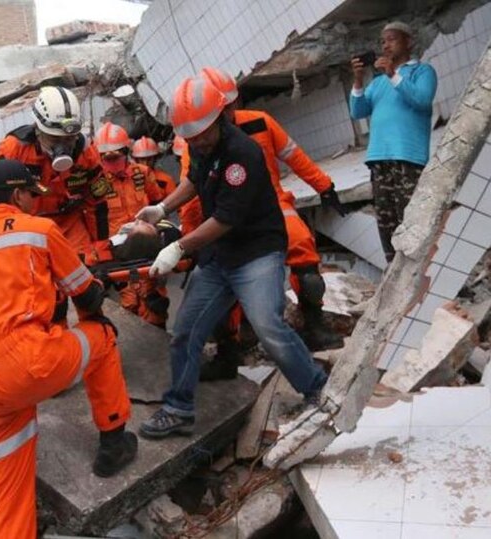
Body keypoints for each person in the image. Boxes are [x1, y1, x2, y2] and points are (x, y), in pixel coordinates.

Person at [135, 77, 328, 438]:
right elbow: (194, 180)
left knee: (268, 325)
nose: (196, 141)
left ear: (221, 117)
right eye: (189, 137)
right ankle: (179, 409)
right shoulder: (202, 145)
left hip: (256, 252)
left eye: (201, 134)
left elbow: (225, 219)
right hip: (220, 256)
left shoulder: (243, 154)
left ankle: (316, 387)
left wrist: (179, 247)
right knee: (186, 332)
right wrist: (161, 207)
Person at [0, 160, 137, 538]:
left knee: (9, 494)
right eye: (30, 196)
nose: (34, 203)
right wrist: (93, 305)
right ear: (17, 194)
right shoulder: (38, 230)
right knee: (102, 336)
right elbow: (86, 295)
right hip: (28, 364)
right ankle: (113, 442)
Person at [179, 67, 346, 381]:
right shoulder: (198, 141)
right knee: (216, 279)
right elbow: (191, 192)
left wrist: (324, 186)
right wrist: (192, 241)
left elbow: (294, 156)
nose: (229, 113)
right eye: (222, 108)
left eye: (230, 106)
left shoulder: (259, 122)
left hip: (272, 207)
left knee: (305, 256)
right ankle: (230, 350)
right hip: (223, 217)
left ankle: (314, 323)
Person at [349, 21, 437, 262]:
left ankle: (423, 267)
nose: (385, 45)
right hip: (379, 159)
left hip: (408, 158)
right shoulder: (377, 83)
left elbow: (422, 100)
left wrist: (393, 74)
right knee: (387, 224)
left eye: (391, 39)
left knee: (411, 219)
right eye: (382, 41)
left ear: (408, 42)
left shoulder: (422, 71)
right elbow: (358, 111)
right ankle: (395, 270)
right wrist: (358, 80)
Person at [0, 86, 106, 252]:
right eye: (55, 139)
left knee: (85, 268)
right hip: (26, 227)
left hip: (68, 225)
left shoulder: (85, 152)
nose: (62, 146)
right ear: (38, 130)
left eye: (68, 139)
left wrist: (101, 246)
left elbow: (98, 202)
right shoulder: (14, 149)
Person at [91, 122, 169, 328]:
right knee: (130, 302)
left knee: (156, 301)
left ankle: (160, 343)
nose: (110, 162)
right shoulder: (96, 183)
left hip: (146, 244)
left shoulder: (142, 174)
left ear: (126, 152)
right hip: (118, 251)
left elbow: (157, 204)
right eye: (105, 158)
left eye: (115, 156)